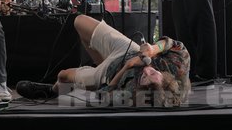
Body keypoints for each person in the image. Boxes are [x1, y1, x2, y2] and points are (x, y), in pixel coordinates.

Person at [16, 15, 191, 107]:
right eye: (153, 72)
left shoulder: (134, 95)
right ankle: (100, 60)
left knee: (62, 77)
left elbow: (102, 96)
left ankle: (51, 91)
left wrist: (126, 69)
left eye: (144, 78)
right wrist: (153, 49)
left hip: (108, 74)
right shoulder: (177, 70)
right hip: (130, 50)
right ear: (166, 77)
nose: (146, 71)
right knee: (79, 21)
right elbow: (177, 46)